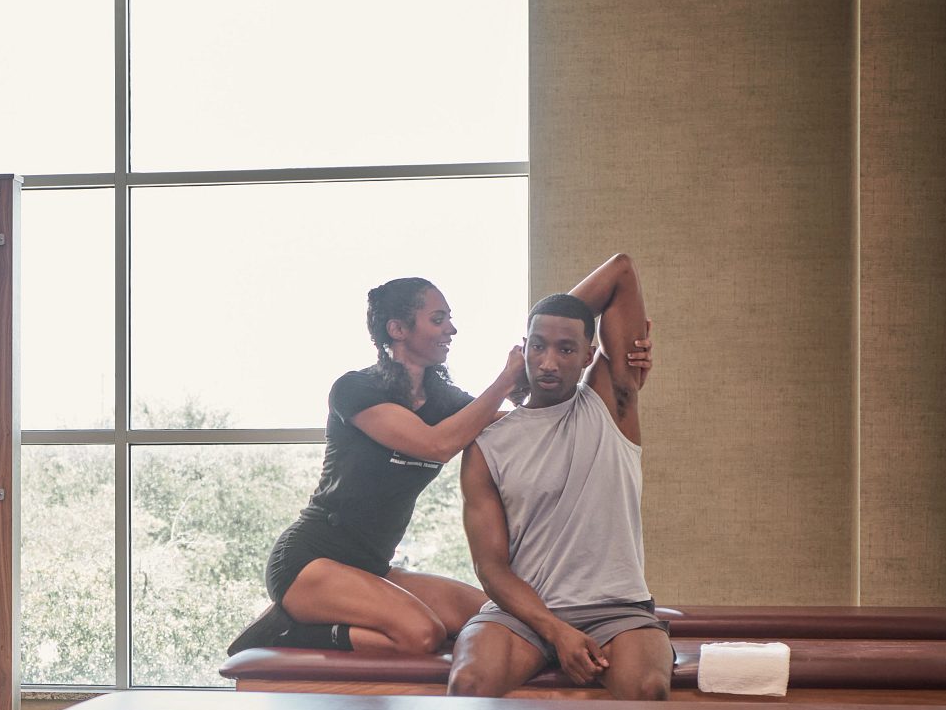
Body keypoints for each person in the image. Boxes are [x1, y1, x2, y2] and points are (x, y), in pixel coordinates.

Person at [416, 252, 689, 710]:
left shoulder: (611, 400)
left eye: (566, 346)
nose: (549, 358)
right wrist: (557, 630)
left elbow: (627, 269)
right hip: (526, 613)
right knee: (467, 683)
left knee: (651, 695)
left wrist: (581, 321)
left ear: (590, 353)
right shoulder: (489, 443)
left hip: (619, 608)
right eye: (537, 344)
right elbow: (492, 569)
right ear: (521, 348)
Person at [232, 278, 653, 658]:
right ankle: (287, 631)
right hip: (312, 560)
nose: (451, 329)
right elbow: (434, 446)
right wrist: (507, 378)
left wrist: (617, 377)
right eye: (438, 319)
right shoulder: (355, 389)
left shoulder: (447, 402)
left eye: (450, 319)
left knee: (499, 617)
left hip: (370, 565)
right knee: (421, 634)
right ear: (398, 329)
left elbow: (525, 419)